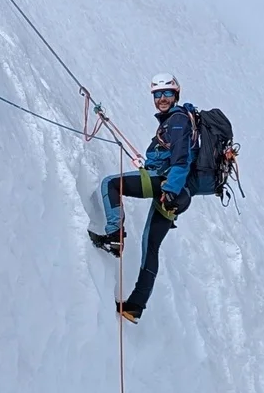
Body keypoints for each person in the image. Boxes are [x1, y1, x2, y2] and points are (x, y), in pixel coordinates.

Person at [89, 73, 216, 323]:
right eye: (157, 94)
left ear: (176, 94)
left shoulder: (177, 121)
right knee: (150, 245)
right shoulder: (175, 121)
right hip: (176, 191)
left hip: (167, 185)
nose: (162, 99)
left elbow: (181, 160)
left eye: (167, 93)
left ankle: (115, 235)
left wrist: (169, 190)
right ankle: (135, 306)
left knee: (111, 184)